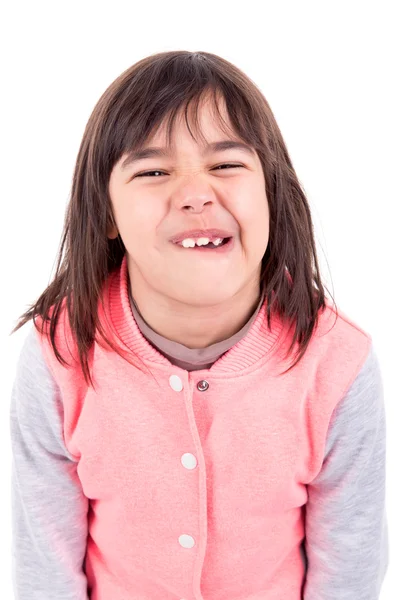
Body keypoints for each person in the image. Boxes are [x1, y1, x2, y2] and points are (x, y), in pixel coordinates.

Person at [9, 50, 388, 600]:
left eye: (226, 164)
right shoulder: (60, 354)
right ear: (107, 213)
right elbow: (45, 568)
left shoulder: (338, 363)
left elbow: (348, 571)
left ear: (271, 195)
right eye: (154, 171)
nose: (195, 193)